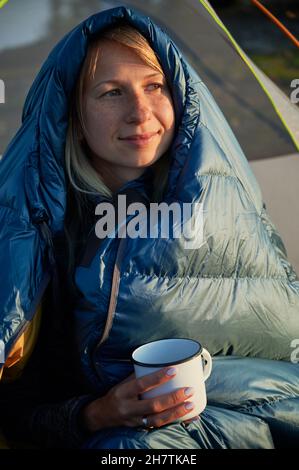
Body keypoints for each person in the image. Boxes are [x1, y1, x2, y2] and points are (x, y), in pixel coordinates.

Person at [0, 6, 299, 449]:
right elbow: (20, 414)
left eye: (154, 86)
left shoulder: (224, 204)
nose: (140, 112)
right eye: (111, 92)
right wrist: (93, 415)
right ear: (74, 119)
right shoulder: (52, 237)